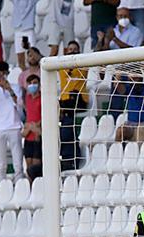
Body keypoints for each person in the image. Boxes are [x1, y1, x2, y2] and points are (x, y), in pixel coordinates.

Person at [0, 61, 25, 181]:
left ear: (7, 73)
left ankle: (20, 186)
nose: (1, 76)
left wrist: (9, 90)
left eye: (3, 73)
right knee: (1, 164)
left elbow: (19, 104)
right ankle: (2, 187)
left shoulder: (16, 87)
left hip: (14, 126)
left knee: (18, 162)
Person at [59, 41, 87, 171]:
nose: (72, 51)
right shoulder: (61, 66)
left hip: (79, 99)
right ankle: (67, 157)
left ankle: (70, 158)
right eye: (70, 49)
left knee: (66, 126)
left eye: (75, 49)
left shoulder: (83, 65)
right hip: (65, 103)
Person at [22, 74, 43, 181]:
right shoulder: (28, 98)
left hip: (38, 133)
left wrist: (35, 125)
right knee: (29, 165)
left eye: (35, 83)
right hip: (29, 135)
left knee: (36, 166)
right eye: (30, 83)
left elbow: (44, 115)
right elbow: (28, 115)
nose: (32, 85)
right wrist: (28, 127)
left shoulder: (42, 98)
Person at [13, 0, 37, 70]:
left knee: (33, 54)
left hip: (29, 28)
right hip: (18, 29)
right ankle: (24, 75)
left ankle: (33, 72)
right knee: (20, 57)